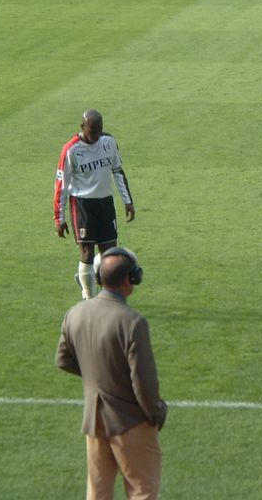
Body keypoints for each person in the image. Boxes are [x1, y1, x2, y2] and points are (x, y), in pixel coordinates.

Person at [56, 247, 167, 500]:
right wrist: (156, 411)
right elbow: (144, 383)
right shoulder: (133, 323)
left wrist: (98, 376)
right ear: (131, 279)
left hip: (94, 423)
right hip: (131, 422)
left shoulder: (74, 313)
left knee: (97, 493)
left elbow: (63, 360)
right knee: (143, 491)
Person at [54, 109, 135, 300]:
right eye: (92, 131)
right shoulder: (71, 150)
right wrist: (59, 217)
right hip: (82, 205)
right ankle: (89, 299)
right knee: (87, 251)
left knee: (109, 254)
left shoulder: (109, 142)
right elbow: (61, 185)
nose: (96, 136)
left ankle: (87, 279)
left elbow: (117, 171)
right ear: (82, 128)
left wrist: (128, 201)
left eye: (99, 130)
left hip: (105, 203)